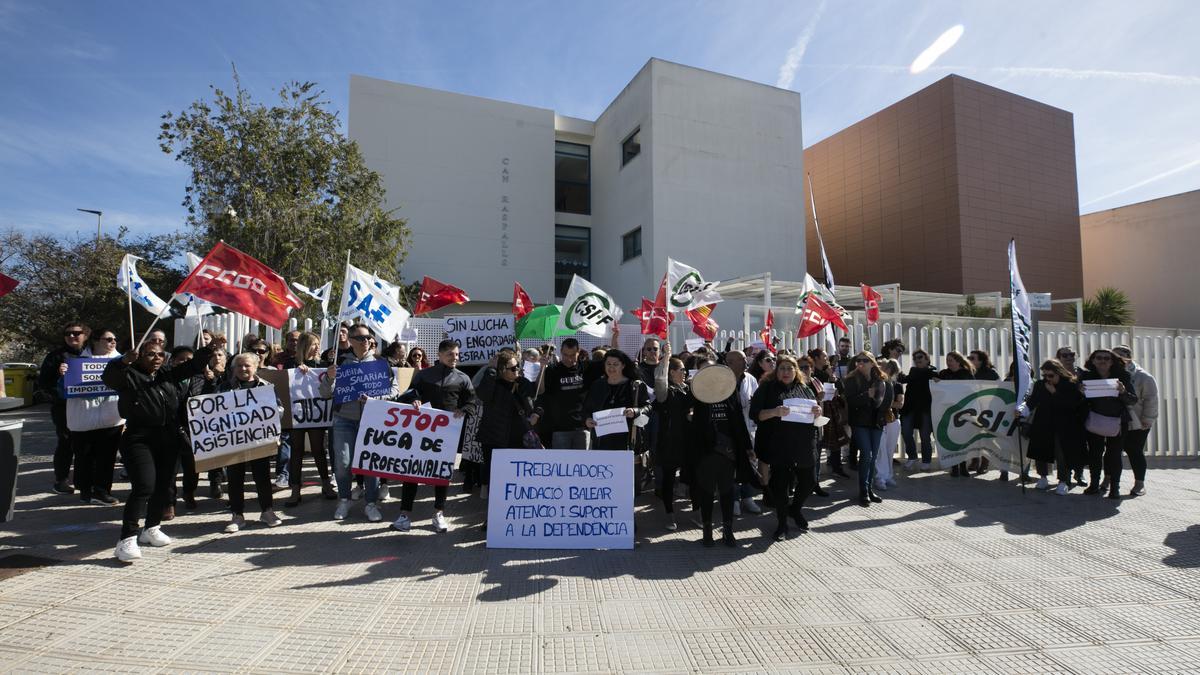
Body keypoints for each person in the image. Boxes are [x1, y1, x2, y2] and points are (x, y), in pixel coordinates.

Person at [102, 341, 212, 562]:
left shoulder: (167, 374)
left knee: (163, 486)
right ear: (139, 356)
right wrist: (123, 361)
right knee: (144, 486)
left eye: (161, 354)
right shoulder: (128, 374)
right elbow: (110, 377)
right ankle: (126, 539)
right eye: (150, 354)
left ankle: (151, 528)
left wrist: (209, 349)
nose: (157, 358)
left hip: (168, 437)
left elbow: (194, 365)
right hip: (139, 438)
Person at [393, 339, 479, 533]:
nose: (454, 358)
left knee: (441, 474)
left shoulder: (463, 378)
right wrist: (414, 399)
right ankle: (404, 515)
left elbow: (472, 403)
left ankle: (439, 513)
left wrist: (463, 409)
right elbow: (408, 394)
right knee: (412, 472)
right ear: (440, 355)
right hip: (421, 433)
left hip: (447, 435)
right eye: (450, 354)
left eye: (457, 354)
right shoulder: (424, 375)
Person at [319, 324, 397, 522]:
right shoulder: (341, 364)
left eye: (369, 337)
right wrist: (329, 378)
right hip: (344, 419)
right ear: (351, 341)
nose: (367, 341)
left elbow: (394, 391)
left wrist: (375, 400)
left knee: (371, 464)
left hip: (373, 420)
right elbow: (325, 394)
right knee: (343, 463)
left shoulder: (381, 363)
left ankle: (371, 504)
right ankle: (344, 499)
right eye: (362, 338)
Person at [750, 354, 823, 541]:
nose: (785, 372)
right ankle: (782, 523)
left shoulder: (804, 388)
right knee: (781, 485)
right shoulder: (767, 388)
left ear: (796, 371)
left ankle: (795, 509)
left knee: (809, 481)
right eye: (782, 368)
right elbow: (755, 414)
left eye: (790, 368)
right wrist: (774, 412)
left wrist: (818, 411)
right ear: (776, 371)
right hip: (777, 444)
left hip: (803, 444)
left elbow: (816, 416)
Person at [220, 352, 283, 533]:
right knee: (235, 478)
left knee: (262, 476)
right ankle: (237, 515)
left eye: (247, 365)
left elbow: (279, 409)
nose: (243, 369)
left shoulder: (267, 387)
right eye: (239, 366)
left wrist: (267, 415)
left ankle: (267, 511)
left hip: (259, 439)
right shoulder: (225, 387)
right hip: (234, 441)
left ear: (256, 367)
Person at [475, 351, 534, 526]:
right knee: (496, 481)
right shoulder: (492, 381)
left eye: (519, 366)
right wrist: (491, 371)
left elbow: (533, 401)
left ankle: (516, 516)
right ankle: (493, 517)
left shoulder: (521, 383)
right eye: (513, 368)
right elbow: (483, 395)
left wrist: (536, 412)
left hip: (518, 440)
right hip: (494, 439)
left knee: (518, 481)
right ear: (501, 370)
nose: (517, 370)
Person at [65, 327, 123, 506]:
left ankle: (102, 491)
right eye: (108, 339)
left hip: (111, 417)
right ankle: (85, 490)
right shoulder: (76, 362)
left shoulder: (121, 362)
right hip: (83, 418)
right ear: (96, 341)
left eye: (115, 338)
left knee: (107, 457)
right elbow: (62, 391)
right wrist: (63, 376)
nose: (113, 342)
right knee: (84, 456)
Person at [284, 331, 336, 506]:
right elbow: (285, 382)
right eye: (313, 344)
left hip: (316, 414)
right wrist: (297, 370)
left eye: (318, 344)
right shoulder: (291, 363)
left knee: (318, 449)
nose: (317, 348)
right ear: (304, 346)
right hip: (297, 413)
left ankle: (326, 484)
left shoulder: (322, 364)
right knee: (296, 451)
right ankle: (295, 489)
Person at [37, 321, 89, 494]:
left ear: (85, 335)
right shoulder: (55, 356)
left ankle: (84, 480)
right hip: (64, 407)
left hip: (89, 407)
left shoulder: (93, 354)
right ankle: (61, 480)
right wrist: (60, 378)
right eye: (68, 334)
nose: (72, 336)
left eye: (76, 333)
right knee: (66, 442)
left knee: (86, 443)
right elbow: (43, 384)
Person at [1023, 359, 1087, 495]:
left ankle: (1063, 481)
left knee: (1061, 453)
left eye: (1051, 375)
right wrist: (1023, 410)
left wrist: (1054, 393)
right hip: (1043, 422)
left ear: (1059, 373)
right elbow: (1033, 401)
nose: (1047, 378)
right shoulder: (1040, 385)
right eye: (1045, 375)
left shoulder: (1070, 385)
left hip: (1064, 424)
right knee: (1040, 450)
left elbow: (1072, 404)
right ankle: (1043, 477)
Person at [1079, 348, 1137, 498]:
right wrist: (1080, 392)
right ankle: (1094, 485)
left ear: (1112, 361)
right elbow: (1079, 402)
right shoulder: (1086, 376)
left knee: (1114, 455)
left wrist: (1123, 392)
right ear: (1093, 361)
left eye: (1106, 358)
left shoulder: (1123, 376)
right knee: (1095, 454)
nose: (1103, 361)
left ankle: (1114, 488)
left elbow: (1132, 400)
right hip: (1095, 420)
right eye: (1099, 358)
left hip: (1117, 421)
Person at [843, 352, 893, 506]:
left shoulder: (883, 380)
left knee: (873, 456)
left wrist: (878, 404)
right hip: (860, 422)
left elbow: (887, 401)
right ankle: (863, 491)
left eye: (865, 360)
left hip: (876, 423)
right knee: (866, 454)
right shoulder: (851, 379)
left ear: (872, 363)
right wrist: (867, 395)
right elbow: (850, 401)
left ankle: (869, 489)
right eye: (858, 360)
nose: (861, 363)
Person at [181, 349, 228, 504]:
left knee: (217, 455)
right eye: (213, 355)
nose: (216, 357)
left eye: (220, 355)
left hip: (218, 423)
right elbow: (195, 395)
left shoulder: (230, 374)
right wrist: (210, 378)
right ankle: (189, 491)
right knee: (192, 460)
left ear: (226, 357)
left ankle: (216, 483)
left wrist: (217, 378)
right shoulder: (198, 374)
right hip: (197, 423)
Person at [582, 349, 651, 451]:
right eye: (608, 364)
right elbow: (586, 408)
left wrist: (635, 411)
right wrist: (587, 419)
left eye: (615, 364)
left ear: (623, 365)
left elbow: (648, 407)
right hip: (601, 441)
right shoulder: (597, 385)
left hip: (626, 441)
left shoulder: (635, 385)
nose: (611, 367)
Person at [651, 356, 690, 531]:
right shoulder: (666, 392)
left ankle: (696, 512)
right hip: (669, 441)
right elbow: (660, 381)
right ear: (672, 372)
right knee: (668, 479)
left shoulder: (688, 389)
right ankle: (669, 513)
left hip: (686, 440)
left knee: (691, 475)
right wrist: (666, 359)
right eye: (681, 369)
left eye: (684, 370)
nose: (684, 372)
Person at [1112, 345, 1157, 496]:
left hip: (1138, 421)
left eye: (1119, 357)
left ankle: (1139, 483)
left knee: (1134, 451)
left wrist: (1147, 419)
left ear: (1128, 357)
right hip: (1117, 419)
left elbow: (1151, 399)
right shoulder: (1110, 374)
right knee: (1112, 451)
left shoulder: (1143, 376)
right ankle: (1107, 480)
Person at [531, 337, 592, 449]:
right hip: (559, 429)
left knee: (582, 463)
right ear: (560, 352)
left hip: (582, 428)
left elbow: (611, 361)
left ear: (578, 352)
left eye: (572, 355)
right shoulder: (553, 370)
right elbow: (540, 391)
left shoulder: (587, 368)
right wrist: (542, 369)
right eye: (565, 355)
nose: (568, 359)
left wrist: (614, 339)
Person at [724, 348, 765, 511]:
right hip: (730, 430)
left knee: (749, 462)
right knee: (732, 465)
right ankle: (734, 500)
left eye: (744, 359)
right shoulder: (723, 379)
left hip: (748, 427)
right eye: (741, 359)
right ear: (730, 362)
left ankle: (748, 497)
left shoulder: (750, 378)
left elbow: (755, 401)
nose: (745, 361)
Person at [937, 351, 976, 477]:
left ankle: (963, 466)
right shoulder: (943, 373)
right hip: (948, 411)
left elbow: (972, 390)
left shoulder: (966, 374)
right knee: (951, 439)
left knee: (962, 439)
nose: (948, 363)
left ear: (958, 361)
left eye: (951, 360)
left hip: (963, 411)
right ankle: (954, 467)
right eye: (947, 360)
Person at [899, 349, 936, 470]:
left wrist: (939, 380)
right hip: (910, 408)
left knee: (925, 436)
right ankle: (912, 456)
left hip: (925, 409)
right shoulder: (913, 371)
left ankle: (926, 460)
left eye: (920, 357)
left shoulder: (933, 372)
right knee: (906, 432)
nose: (917, 360)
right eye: (915, 358)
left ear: (927, 358)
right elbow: (903, 379)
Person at [874, 359, 904, 491]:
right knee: (881, 449)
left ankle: (888, 476)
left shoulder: (897, 385)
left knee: (890, 450)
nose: (880, 368)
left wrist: (885, 403)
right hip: (879, 420)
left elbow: (900, 404)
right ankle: (880, 477)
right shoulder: (876, 383)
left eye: (884, 367)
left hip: (893, 420)